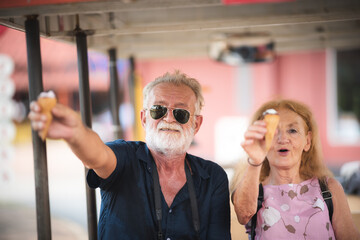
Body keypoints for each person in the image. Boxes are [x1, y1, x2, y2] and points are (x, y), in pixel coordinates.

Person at [28, 70, 231, 240]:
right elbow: (97, 155)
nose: (169, 118)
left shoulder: (213, 177)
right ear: (144, 118)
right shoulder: (126, 157)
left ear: (196, 124)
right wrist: (76, 133)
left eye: (181, 113)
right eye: (158, 110)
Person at [231, 99, 360, 240]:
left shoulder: (329, 188)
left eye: (292, 130)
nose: (283, 138)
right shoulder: (252, 191)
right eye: (273, 131)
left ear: (308, 141)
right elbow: (243, 215)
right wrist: (255, 160)